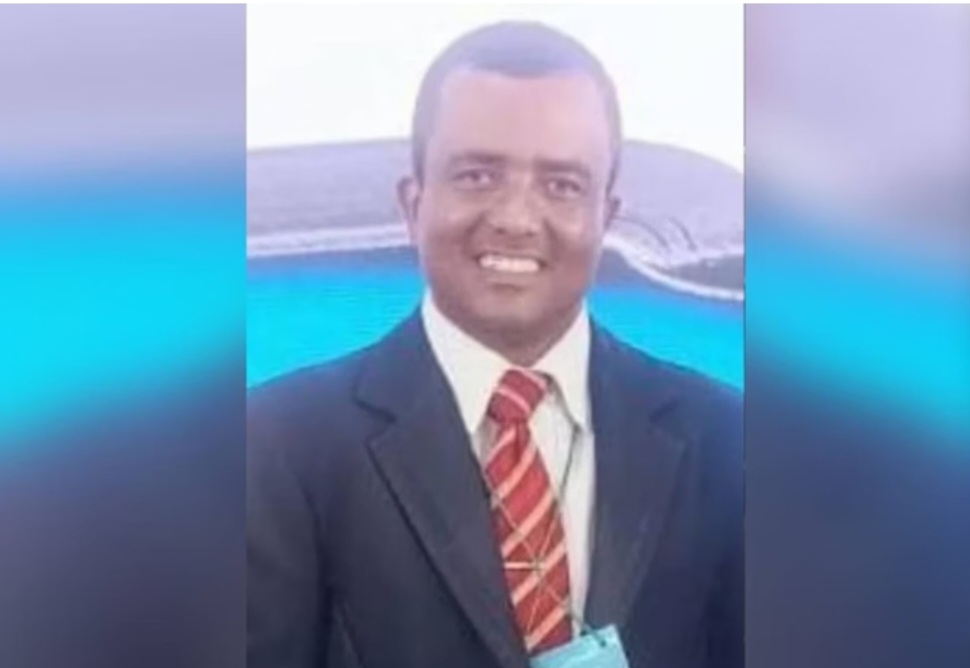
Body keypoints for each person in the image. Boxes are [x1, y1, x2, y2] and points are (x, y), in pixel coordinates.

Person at [247, 21, 742, 668]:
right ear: (413, 204)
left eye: (562, 185)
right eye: (478, 176)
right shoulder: (277, 445)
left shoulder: (727, 440)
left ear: (607, 217)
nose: (514, 218)